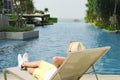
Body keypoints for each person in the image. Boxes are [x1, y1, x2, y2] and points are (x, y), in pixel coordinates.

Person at [18, 42, 85, 80]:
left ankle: (23, 65)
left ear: (70, 51)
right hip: (54, 71)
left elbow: (55, 59)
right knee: (40, 62)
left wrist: (68, 59)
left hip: (50, 77)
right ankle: (24, 63)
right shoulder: (82, 62)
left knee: (33, 70)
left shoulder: (69, 61)